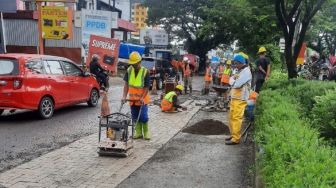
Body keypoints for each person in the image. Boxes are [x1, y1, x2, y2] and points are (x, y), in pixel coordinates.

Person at [122, 52, 151, 140]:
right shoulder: (129, 70)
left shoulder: (145, 71)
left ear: (139, 62)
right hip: (132, 100)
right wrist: (124, 96)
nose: (133, 65)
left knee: (143, 117)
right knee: (134, 116)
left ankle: (146, 132)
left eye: (135, 64)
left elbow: (146, 87)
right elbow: (126, 84)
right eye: (132, 64)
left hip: (142, 100)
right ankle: (138, 132)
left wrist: (142, 97)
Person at [225, 54, 252, 145]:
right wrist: (233, 81)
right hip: (235, 97)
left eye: (236, 63)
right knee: (231, 117)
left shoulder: (246, 72)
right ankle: (233, 134)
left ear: (241, 63)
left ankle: (236, 138)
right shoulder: (239, 71)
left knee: (237, 118)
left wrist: (233, 81)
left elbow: (237, 84)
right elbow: (231, 80)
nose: (235, 65)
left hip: (241, 98)